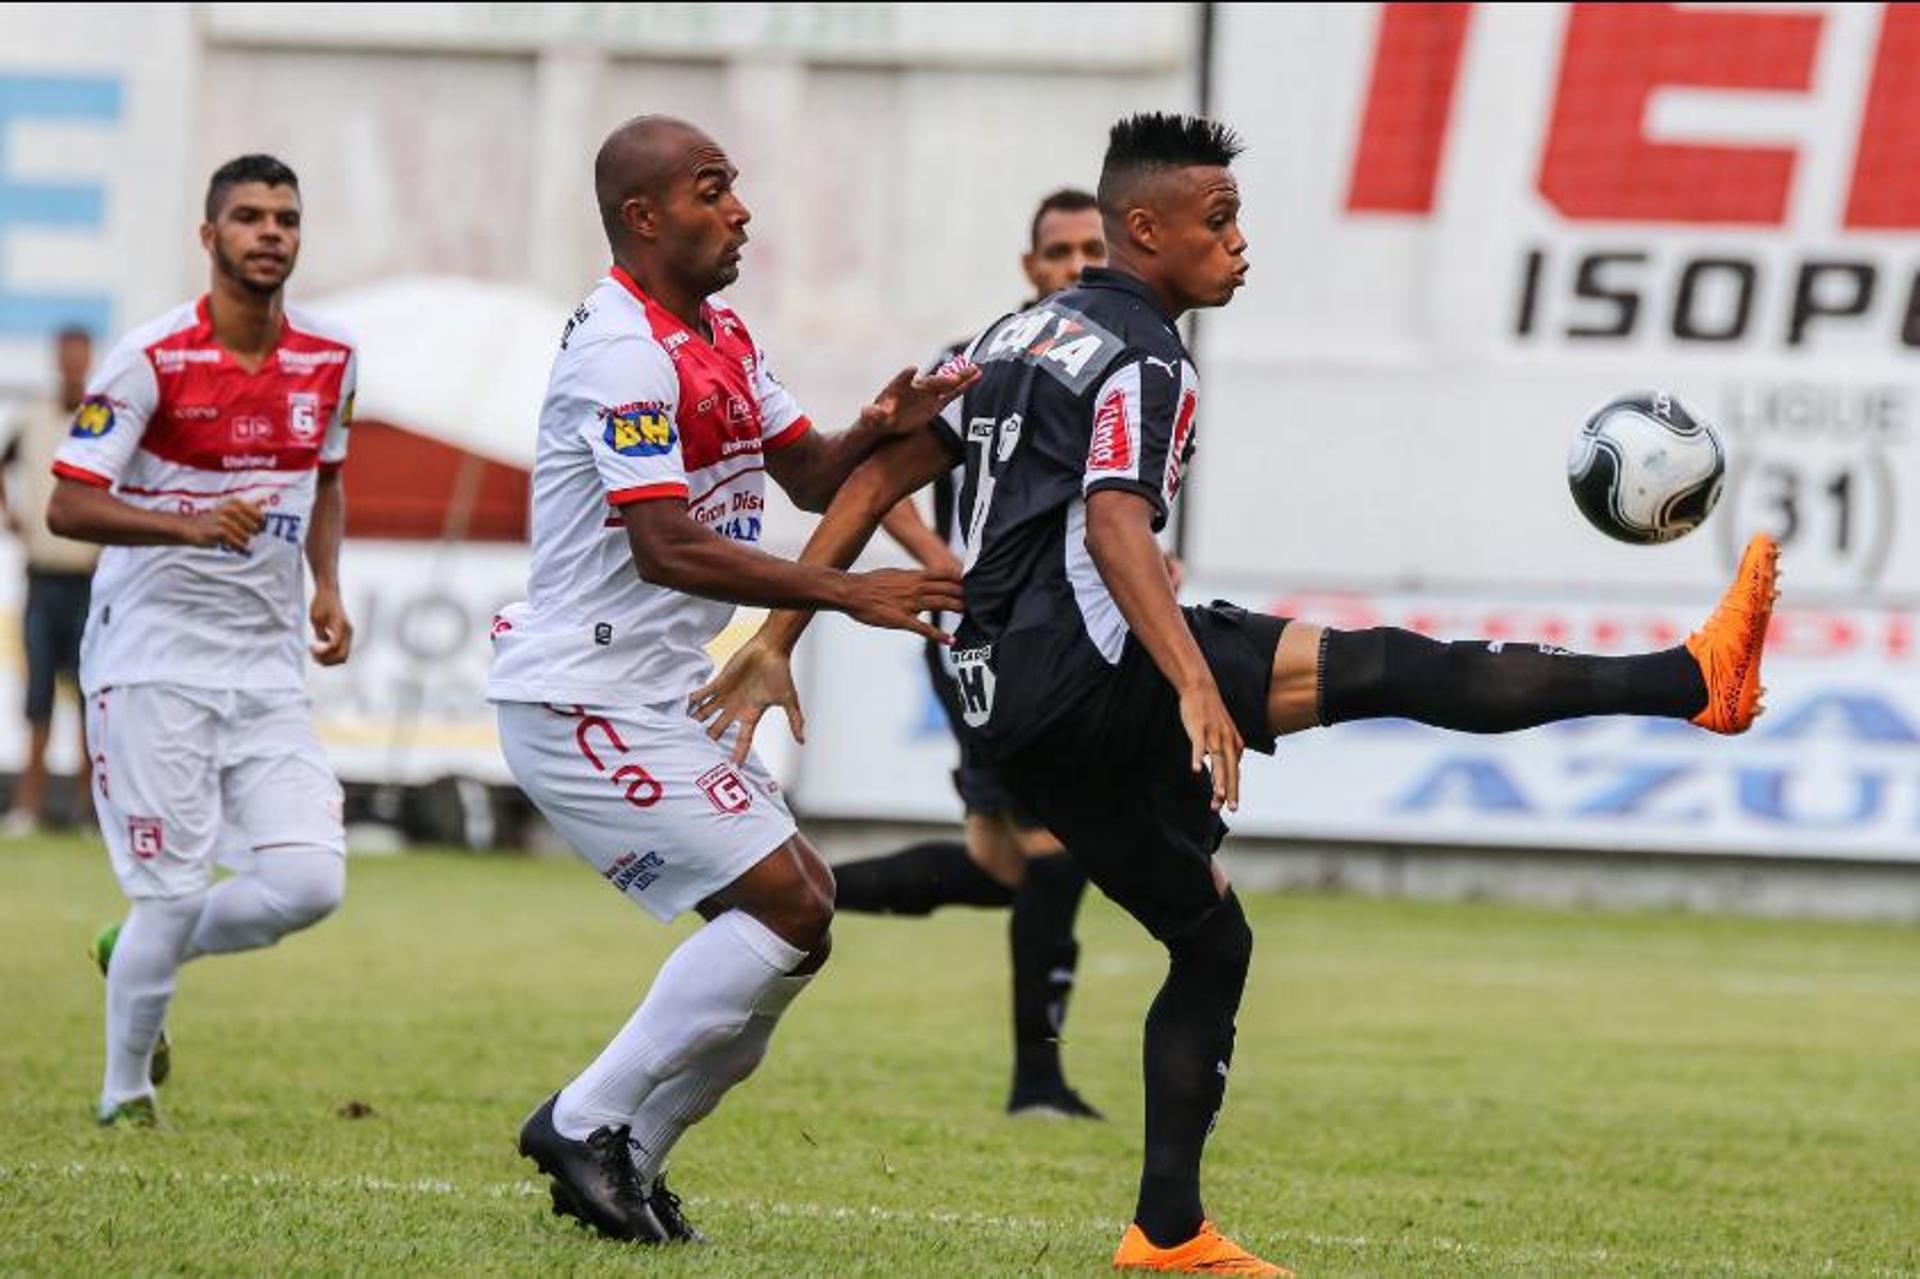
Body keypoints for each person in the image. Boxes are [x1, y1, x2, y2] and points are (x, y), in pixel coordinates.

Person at [688, 112, 1780, 1276]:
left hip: (1016, 708)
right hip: (1098, 676)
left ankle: (1167, 1232)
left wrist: (778, 631)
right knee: (1398, 666)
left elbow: (877, 470)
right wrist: (1197, 686)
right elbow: (1115, 521)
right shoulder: (1147, 357)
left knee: (1208, 936)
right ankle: (1689, 679)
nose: (1241, 243)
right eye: (1220, 222)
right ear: (1145, 230)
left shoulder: (1006, 336)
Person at [486, 115, 976, 1246]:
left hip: (659, 691)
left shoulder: (720, 332)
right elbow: (664, 544)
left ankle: (628, 1162)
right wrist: (850, 597)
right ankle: (584, 1117)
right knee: (792, 906)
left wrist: (877, 427)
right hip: (583, 696)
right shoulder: (622, 350)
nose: (742, 210)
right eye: (715, 191)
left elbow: (804, 474)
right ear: (645, 216)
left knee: (797, 930)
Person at [47, 154, 358, 1128]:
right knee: (174, 892)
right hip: (151, 662)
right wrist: (187, 525)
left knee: (310, 883)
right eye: (250, 217)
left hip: (263, 663)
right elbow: (68, 502)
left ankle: (135, 944)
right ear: (209, 235)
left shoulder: (331, 358)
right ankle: (125, 1090)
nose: (271, 232)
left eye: (286, 218)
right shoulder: (150, 357)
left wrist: (327, 585)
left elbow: (330, 479)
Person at [831, 187, 1110, 1119]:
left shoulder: (1125, 359)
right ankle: (1040, 1083)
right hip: (990, 637)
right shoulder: (982, 359)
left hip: (1068, 631)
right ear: (1031, 269)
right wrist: (936, 556)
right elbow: (883, 474)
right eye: (1061, 251)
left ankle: (784, 892)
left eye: (1093, 250)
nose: (1079, 266)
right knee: (1056, 845)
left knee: (1001, 866)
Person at [0, 326, 101, 833]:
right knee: (36, 698)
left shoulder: (101, 421)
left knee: (92, 702)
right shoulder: (34, 419)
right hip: (42, 579)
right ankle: (28, 805)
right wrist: (12, 517)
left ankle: (88, 810)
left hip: (89, 579)